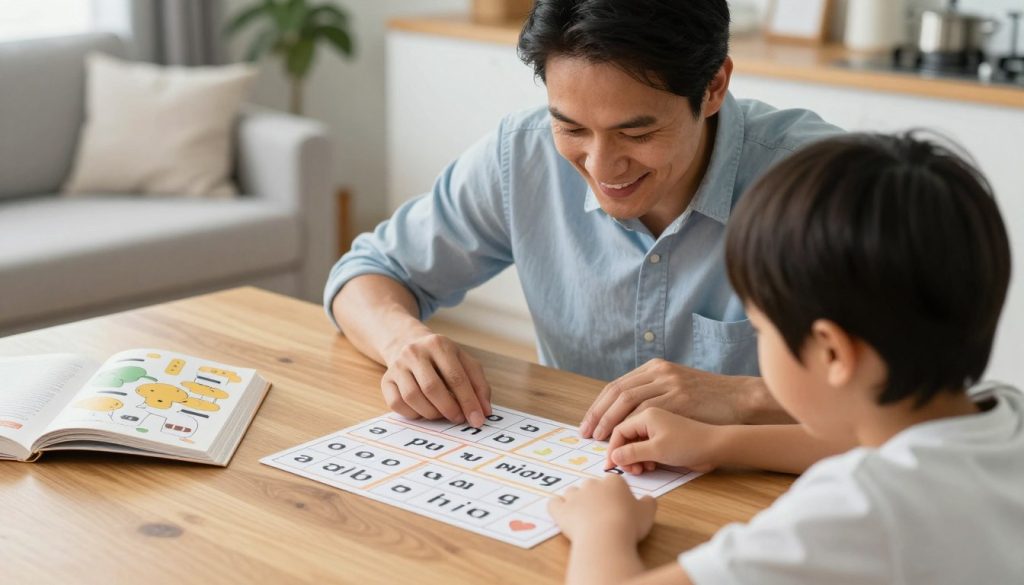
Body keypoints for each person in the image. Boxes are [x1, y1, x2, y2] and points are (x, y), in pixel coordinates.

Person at [324, 0, 839, 432]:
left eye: (637, 134)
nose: (600, 166)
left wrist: (744, 398)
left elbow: (914, 391)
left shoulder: (822, 181)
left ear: (713, 87)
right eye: (571, 129)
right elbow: (369, 273)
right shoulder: (521, 155)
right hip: (587, 478)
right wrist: (403, 341)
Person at [548, 132, 1024, 584]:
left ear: (832, 352)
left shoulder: (858, 510)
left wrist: (601, 528)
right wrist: (720, 443)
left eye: (761, 326)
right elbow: (866, 446)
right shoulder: (999, 413)